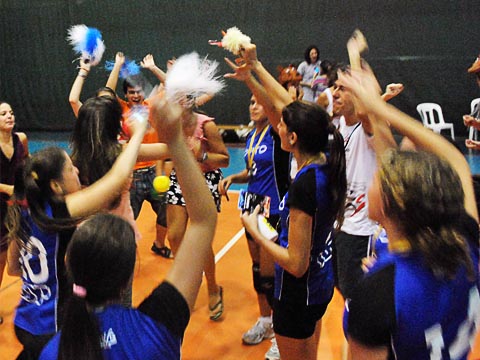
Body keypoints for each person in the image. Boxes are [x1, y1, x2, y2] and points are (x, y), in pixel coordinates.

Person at [39, 95, 218, 359]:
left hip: (87, 242)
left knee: (87, 303)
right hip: (120, 242)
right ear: (115, 126)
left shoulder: (74, 162)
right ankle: (115, 326)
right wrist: (176, 137)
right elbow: (203, 219)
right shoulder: (122, 152)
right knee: (121, 307)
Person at [338, 63, 480, 360]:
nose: (375, 172)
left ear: (393, 203)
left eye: (379, 176)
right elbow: (456, 160)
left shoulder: (379, 293)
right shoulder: (465, 244)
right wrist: (378, 108)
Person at [227, 42, 347, 360]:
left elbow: (295, 263)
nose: (275, 123)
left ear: (293, 137)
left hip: (299, 291)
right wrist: (254, 72)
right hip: (321, 283)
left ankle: (280, 338)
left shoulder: (305, 184)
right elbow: (280, 108)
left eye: (282, 125)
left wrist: (254, 228)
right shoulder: (327, 160)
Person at [5, 115, 147, 358]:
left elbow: (13, 269)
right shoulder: (58, 211)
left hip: (25, 320)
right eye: (71, 168)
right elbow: (116, 179)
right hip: (53, 325)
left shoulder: (24, 209)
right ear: (56, 187)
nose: (77, 170)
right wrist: (140, 130)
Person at [219, 94, 290, 348]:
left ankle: (280, 331)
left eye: (259, 101)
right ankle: (265, 321)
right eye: (250, 102)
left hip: (272, 208)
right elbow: (252, 172)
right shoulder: (251, 137)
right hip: (251, 203)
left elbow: (277, 107)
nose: (254, 105)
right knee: (258, 268)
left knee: (271, 273)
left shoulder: (275, 133)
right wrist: (232, 178)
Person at [166, 97, 229, 321]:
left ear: (192, 100)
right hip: (179, 176)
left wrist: (201, 155)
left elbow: (225, 159)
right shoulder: (171, 122)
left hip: (205, 178)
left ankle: (213, 288)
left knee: (200, 239)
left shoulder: (206, 125)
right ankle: (185, 286)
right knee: (174, 236)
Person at [106, 52, 172, 258]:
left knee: (166, 214)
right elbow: (107, 91)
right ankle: (123, 256)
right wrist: (117, 66)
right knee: (125, 222)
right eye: (131, 92)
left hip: (154, 173)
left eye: (139, 92)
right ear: (125, 95)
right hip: (130, 177)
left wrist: (153, 68)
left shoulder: (151, 106)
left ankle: (159, 245)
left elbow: (172, 86)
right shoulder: (121, 108)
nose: (136, 95)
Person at [0, 101, 28, 325]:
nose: (9, 116)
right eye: (3, 114)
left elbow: (26, 166)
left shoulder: (21, 139)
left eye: (11, 112)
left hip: (16, 206)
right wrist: (9, 189)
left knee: (7, 259)